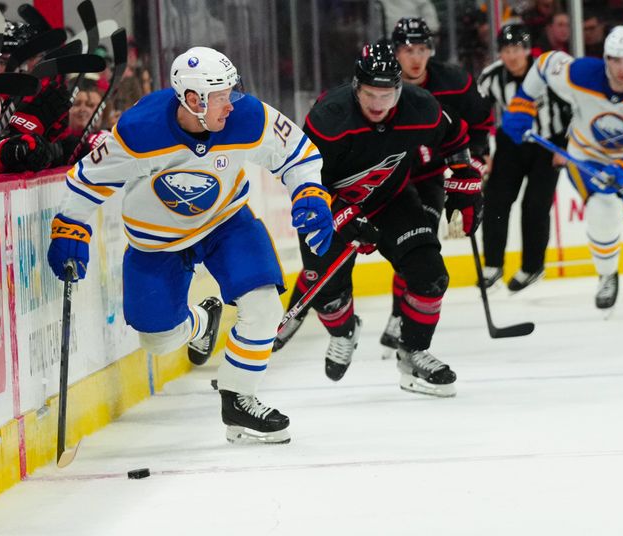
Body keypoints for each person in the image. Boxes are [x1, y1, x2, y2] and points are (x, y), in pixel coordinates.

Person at [46, 46, 334, 444]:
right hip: (156, 241)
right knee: (158, 339)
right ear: (193, 100)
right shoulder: (140, 128)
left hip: (226, 222)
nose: (232, 105)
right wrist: (69, 226)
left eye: (232, 92)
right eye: (221, 97)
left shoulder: (248, 116)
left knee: (265, 306)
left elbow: (298, 154)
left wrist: (309, 193)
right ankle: (203, 320)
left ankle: (239, 401)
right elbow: (89, 177)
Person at [275, 42, 484, 398]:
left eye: (387, 96)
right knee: (328, 295)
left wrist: (466, 180)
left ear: (399, 89)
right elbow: (303, 177)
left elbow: (456, 136)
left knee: (429, 274)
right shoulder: (330, 116)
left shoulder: (419, 106)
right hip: (325, 209)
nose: (378, 105)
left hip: (391, 200)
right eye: (370, 94)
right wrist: (342, 215)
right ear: (356, 86)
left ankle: (413, 351)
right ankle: (344, 333)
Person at [502, 26, 623, 311]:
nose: (622, 69)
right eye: (616, 59)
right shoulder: (580, 74)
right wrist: (523, 102)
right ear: (605, 58)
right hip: (587, 157)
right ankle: (607, 276)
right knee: (603, 210)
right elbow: (544, 64)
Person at [379, 17, 493, 355]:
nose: (415, 58)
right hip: (388, 178)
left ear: (432, 50)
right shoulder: (381, 83)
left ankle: (399, 316)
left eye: (422, 49)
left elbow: (480, 119)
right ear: (395, 51)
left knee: (421, 244)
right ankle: (394, 314)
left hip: (429, 175)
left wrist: (478, 154)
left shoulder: (454, 82)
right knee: (404, 249)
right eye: (407, 50)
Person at [476, 24, 571, 291]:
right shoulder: (491, 77)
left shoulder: (548, 74)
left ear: (527, 50)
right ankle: (493, 266)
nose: (511, 56)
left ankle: (532, 266)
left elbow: (574, 108)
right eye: (506, 50)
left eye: (517, 49)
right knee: (495, 201)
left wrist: (564, 148)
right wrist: (483, 152)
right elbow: (477, 117)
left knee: (535, 206)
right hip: (511, 144)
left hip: (549, 144)